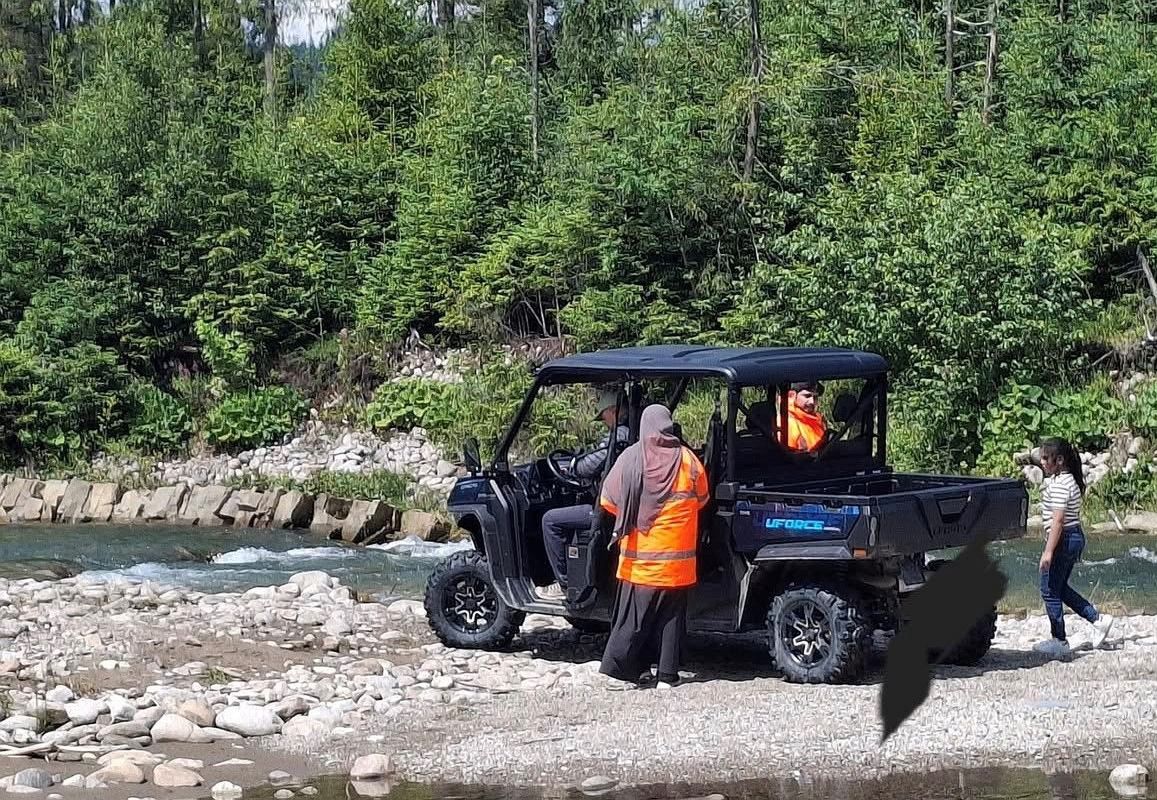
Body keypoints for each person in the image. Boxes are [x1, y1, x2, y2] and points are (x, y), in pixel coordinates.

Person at [597, 403, 710, 689]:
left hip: (642, 561)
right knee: (670, 621)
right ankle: (667, 677)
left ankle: (618, 673)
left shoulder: (633, 458)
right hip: (680, 563)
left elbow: (607, 502)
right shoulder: (688, 460)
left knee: (632, 621)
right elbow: (703, 499)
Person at [537, 388, 630, 601]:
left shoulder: (620, 435)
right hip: (619, 505)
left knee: (550, 520)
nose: (605, 422)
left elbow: (588, 466)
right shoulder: (636, 429)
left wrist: (574, 466)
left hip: (608, 510)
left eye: (604, 417)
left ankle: (564, 583)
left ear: (614, 411)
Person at [1033, 436, 1115, 657]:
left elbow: (1058, 520)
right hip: (1074, 537)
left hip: (1064, 539)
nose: (1042, 462)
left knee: (1049, 589)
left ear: (1059, 460)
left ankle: (1059, 640)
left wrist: (1048, 552)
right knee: (1060, 588)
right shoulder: (1071, 480)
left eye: (1045, 458)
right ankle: (1098, 620)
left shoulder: (1061, 484)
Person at [786, 381, 828, 452]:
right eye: (807, 396)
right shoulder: (789, 423)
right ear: (792, 395)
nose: (812, 401)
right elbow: (791, 458)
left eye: (815, 397)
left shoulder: (818, 420)